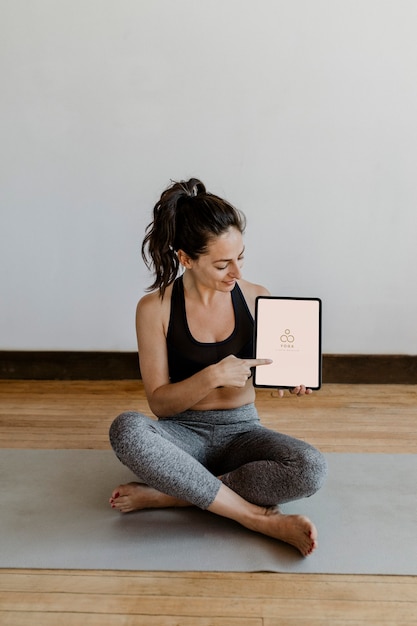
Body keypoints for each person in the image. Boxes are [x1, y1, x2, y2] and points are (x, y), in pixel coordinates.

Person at [109, 178, 327, 557]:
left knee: (310, 468)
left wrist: (291, 376)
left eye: (241, 257)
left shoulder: (258, 297)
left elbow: (272, 364)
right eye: (223, 264)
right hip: (182, 434)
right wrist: (213, 376)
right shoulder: (155, 309)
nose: (237, 272)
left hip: (242, 432)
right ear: (186, 258)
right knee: (126, 429)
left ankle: (175, 496)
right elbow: (160, 405)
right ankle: (255, 518)